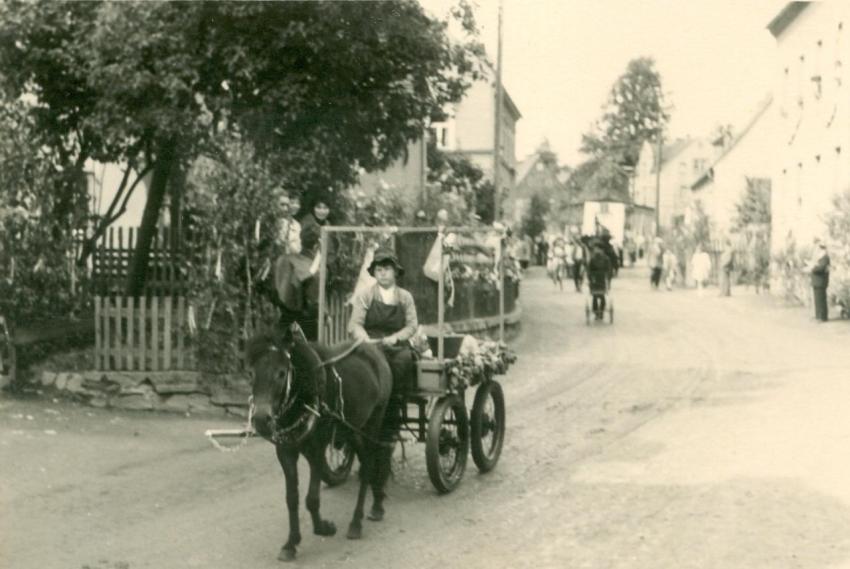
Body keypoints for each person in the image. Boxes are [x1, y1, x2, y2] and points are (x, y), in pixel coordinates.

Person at [348, 247, 419, 394]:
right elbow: (355, 324)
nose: (382, 273)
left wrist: (395, 338)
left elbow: (412, 325)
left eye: (387, 269)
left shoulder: (405, 297)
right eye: (379, 269)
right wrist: (364, 338)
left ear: (395, 272)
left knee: (403, 361)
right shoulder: (366, 295)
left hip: (397, 347)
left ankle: (396, 399)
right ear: (374, 273)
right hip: (371, 344)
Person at [274, 224, 323, 340]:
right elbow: (312, 295)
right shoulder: (307, 265)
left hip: (283, 318)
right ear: (317, 245)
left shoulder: (284, 259)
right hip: (302, 320)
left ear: (301, 240)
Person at [587, 240, 612, 319]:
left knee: (602, 296)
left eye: (597, 249)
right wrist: (590, 278)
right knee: (595, 296)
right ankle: (596, 312)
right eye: (595, 249)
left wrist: (608, 279)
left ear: (602, 250)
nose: (596, 250)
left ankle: (600, 312)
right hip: (594, 280)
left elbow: (609, 270)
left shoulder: (606, 259)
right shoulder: (593, 259)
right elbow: (589, 270)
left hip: (602, 280)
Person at [809, 240, 830, 322]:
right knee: (817, 300)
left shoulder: (825, 258)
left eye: (820, 249)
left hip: (821, 282)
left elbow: (821, 268)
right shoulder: (821, 258)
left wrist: (812, 268)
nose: (818, 251)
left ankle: (823, 317)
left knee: (821, 300)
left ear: (823, 250)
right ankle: (818, 315)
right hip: (817, 281)